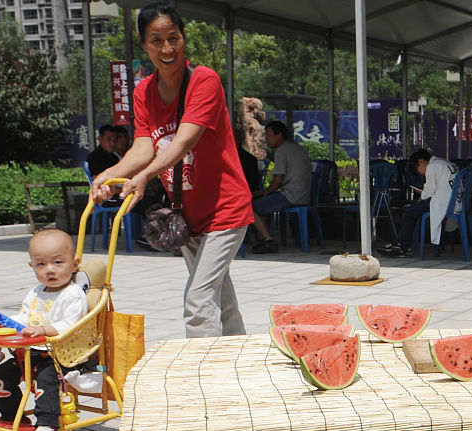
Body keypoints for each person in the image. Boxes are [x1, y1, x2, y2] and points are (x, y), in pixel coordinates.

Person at [90, 1, 251, 339]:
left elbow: (181, 144)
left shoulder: (203, 80)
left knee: (197, 299)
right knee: (218, 296)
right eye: (157, 40)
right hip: (187, 213)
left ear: (184, 38)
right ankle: (240, 358)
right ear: (143, 42)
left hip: (226, 209)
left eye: (173, 38)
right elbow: (145, 146)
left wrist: (145, 176)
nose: (167, 49)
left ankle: (204, 372)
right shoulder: (143, 91)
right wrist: (111, 172)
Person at [0, 229, 89, 431]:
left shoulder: (73, 295)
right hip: (32, 352)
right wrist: (5, 323)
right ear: (31, 266)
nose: (50, 270)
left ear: (75, 263)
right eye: (41, 264)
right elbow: (24, 318)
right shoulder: (35, 293)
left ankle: (47, 424)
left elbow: (71, 325)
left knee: (45, 378)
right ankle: (13, 417)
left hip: (62, 356)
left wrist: (44, 330)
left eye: (58, 262)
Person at [378, 148, 458, 258]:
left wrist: (418, 200)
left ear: (421, 161)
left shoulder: (431, 167)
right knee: (411, 211)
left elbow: (428, 192)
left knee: (408, 211)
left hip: (444, 204)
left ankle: (403, 248)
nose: (420, 173)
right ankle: (398, 244)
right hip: (454, 202)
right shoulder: (445, 163)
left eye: (417, 169)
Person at [250, 119, 313, 254]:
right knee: (264, 205)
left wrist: (265, 192)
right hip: (304, 195)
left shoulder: (281, 151)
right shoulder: (299, 148)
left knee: (249, 207)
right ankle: (265, 238)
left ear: (279, 135)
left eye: (268, 134)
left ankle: (268, 239)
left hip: (290, 195)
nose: (266, 138)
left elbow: (278, 180)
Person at [234, 124, 261, 195]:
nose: (232, 141)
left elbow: (252, 184)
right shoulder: (222, 158)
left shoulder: (249, 160)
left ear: (241, 140)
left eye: (235, 138)